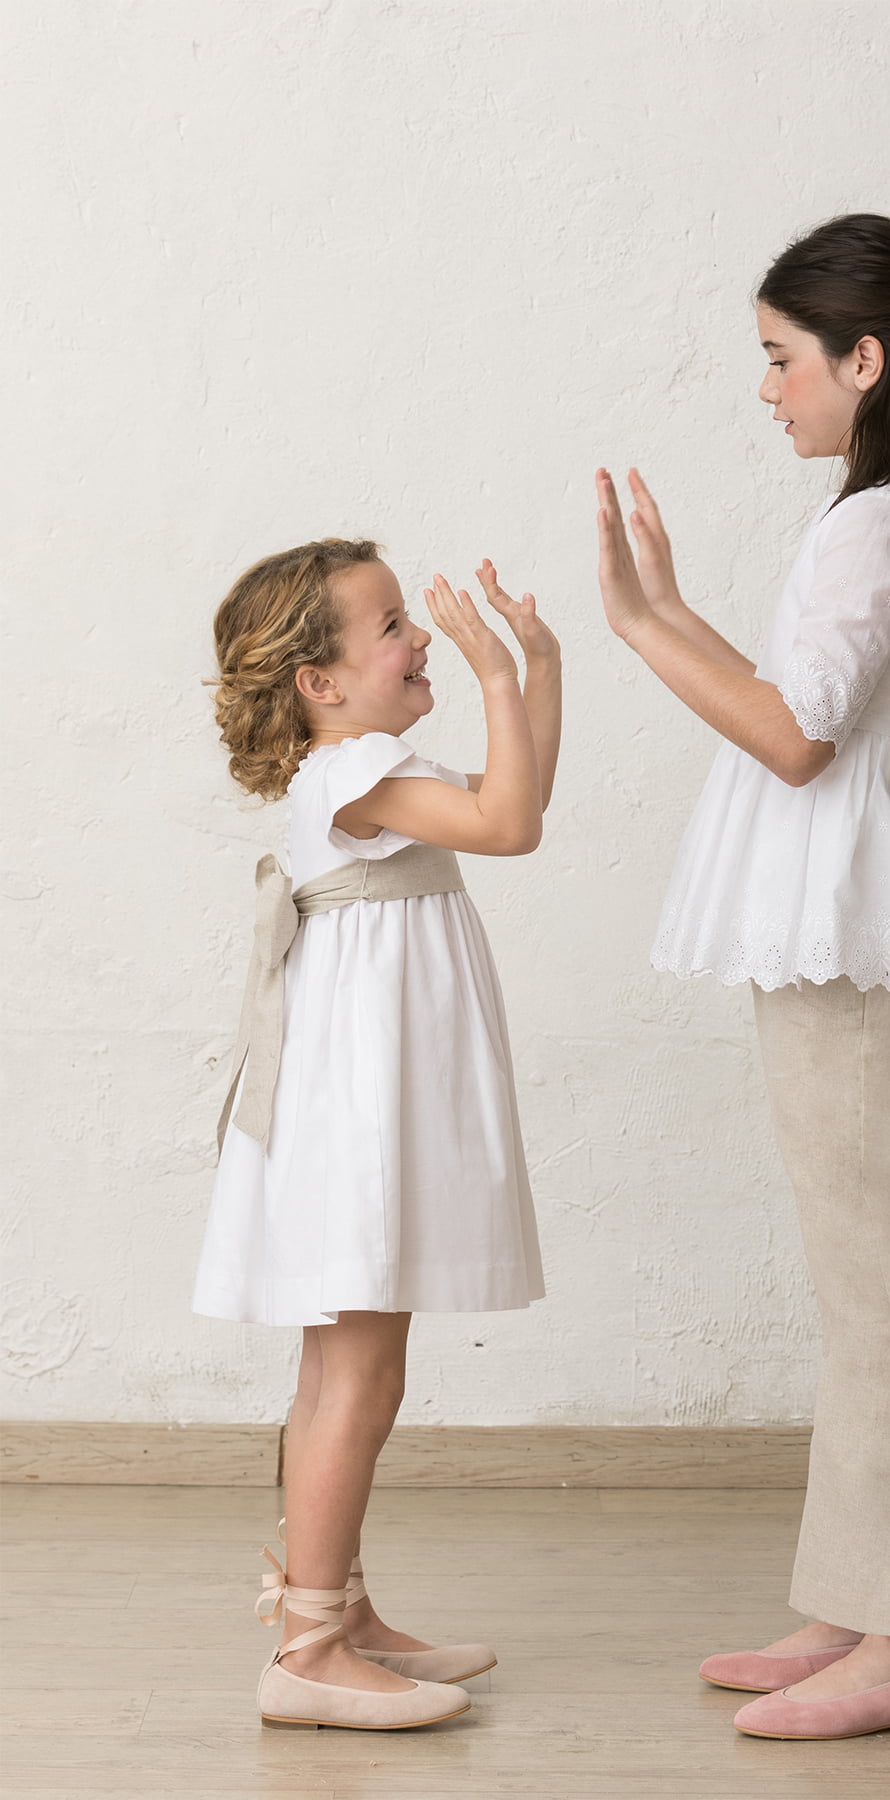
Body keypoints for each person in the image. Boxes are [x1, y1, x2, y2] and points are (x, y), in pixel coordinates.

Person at [596, 213, 890, 1742]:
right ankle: (861, 1600)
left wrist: (643, 628)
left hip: (855, 938)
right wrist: (664, 616)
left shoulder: (877, 524)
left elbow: (795, 735)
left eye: (782, 360)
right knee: (861, 1293)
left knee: (874, 1293)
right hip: (861, 930)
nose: (766, 389)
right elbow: (803, 708)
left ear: (865, 359)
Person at [192, 542, 558, 1731]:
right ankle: (305, 1649)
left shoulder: (358, 762)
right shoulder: (356, 765)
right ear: (321, 681)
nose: (421, 640)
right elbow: (506, 823)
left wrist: (535, 666)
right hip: (356, 1103)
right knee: (354, 1367)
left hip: (366, 1089)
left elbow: (522, 811)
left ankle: (336, 1607)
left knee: (352, 1361)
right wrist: (502, 676)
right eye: (393, 624)